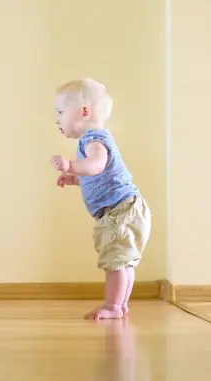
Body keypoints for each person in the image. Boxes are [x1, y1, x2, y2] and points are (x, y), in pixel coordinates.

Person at [49, 78, 151, 320]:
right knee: (123, 261)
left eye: (61, 112)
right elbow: (98, 174)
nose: (57, 119)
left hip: (119, 210)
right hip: (129, 207)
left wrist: (70, 165)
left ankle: (113, 306)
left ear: (84, 112)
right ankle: (121, 304)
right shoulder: (98, 138)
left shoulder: (92, 139)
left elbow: (97, 165)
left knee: (115, 261)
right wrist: (75, 179)